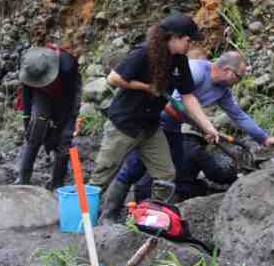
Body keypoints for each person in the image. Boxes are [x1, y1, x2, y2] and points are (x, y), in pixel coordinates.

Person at [89, 13, 220, 222]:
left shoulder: (179, 61)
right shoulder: (144, 53)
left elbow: (187, 96)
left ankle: (152, 217)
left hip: (150, 127)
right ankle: (85, 222)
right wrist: (146, 87)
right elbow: (114, 78)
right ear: (174, 37)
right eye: (188, 40)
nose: (190, 45)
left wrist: (208, 127)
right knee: (102, 175)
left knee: (166, 173)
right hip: (124, 124)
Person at [115, 51, 274, 203]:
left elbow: (238, 116)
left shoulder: (222, 91)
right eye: (239, 77)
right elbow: (170, 105)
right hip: (152, 122)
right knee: (137, 166)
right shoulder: (196, 71)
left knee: (175, 170)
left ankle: (157, 208)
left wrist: (264, 138)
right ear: (228, 71)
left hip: (173, 127)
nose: (239, 82)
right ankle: (116, 210)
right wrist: (202, 126)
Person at [14, 45, 82, 190]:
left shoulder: (67, 66)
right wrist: (27, 122)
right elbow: (26, 96)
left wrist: (62, 125)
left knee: (64, 140)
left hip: (65, 95)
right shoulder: (29, 66)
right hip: (41, 94)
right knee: (34, 131)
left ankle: (57, 185)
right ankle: (23, 179)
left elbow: (71, 98)